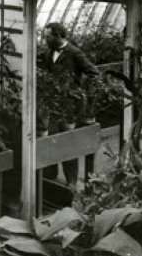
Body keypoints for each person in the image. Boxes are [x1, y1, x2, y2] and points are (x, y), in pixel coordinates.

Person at [39, 22, 99, 189]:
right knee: (52, 139)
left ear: (58, 36)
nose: (45, 38)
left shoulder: (74, 53)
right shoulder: (48, 53)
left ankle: (71, 179)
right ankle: (51, 173)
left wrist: (77, 91)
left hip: (69, 108)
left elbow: (94, 73)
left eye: (48, 36)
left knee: (68, 142)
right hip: (53, 106)